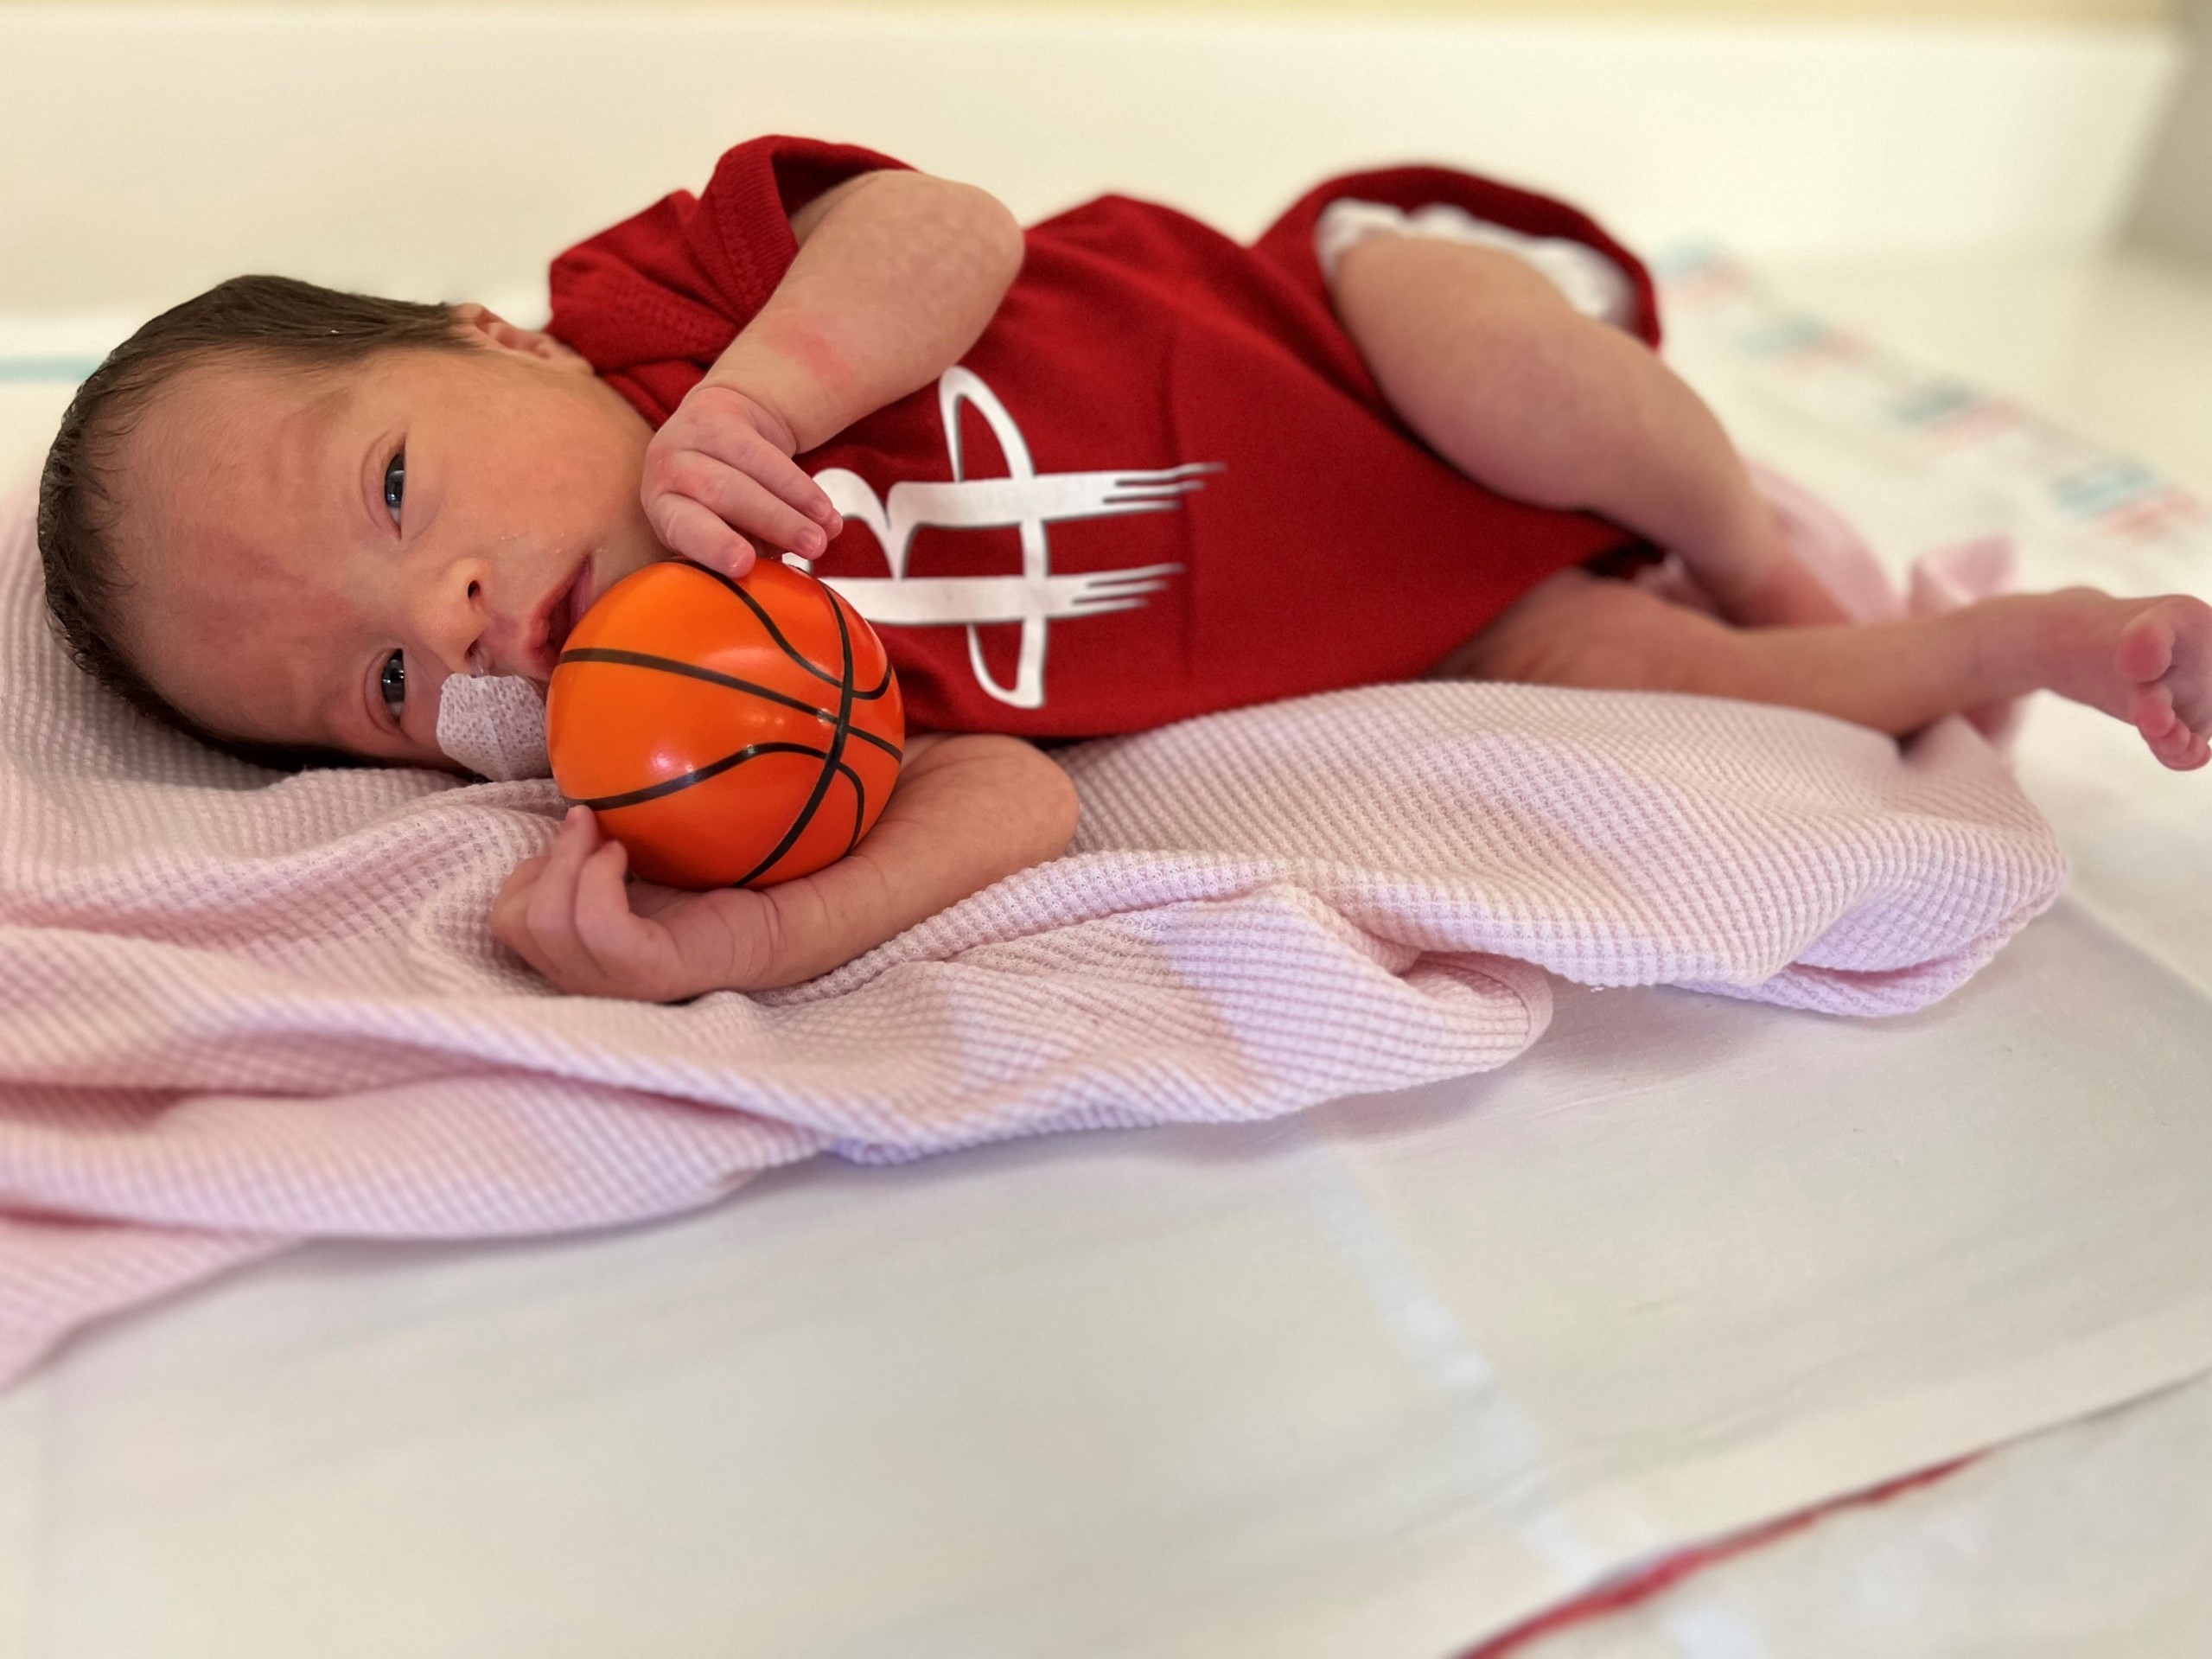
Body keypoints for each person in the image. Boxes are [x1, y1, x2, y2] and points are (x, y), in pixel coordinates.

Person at [34, 137, 2209, 1004]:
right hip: (1419, 608)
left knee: (1514, 386)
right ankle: (2034, 642)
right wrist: (754, 932)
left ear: (485, 333)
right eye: (377, 691)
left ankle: (1746, 531)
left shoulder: (658, 318)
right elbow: (1024, 794)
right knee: (1634, 685)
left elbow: (949, 227)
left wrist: (771, 393)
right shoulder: (701, 721)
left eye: (395, 494)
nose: (444, 625)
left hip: (1334, 331)